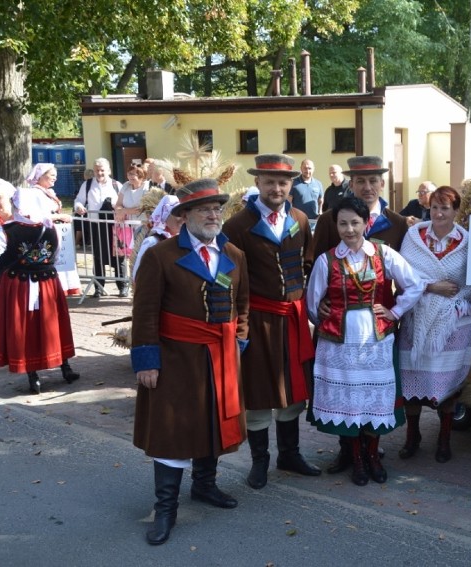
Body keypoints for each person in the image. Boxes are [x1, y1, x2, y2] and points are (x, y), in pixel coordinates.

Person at [131, 178, 249, 546]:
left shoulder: (234, 255)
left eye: (217, 208)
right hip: (175, 359)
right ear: (184, 216)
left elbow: (241, 306)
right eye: (204, 209)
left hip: (219, 356)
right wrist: (147, 361)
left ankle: (204, 486)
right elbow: (145, 312)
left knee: (211, 423)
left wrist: (238, 343)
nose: (213, 215)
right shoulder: (161, 256)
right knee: (173, 431)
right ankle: (165, 509)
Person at [307, 196, 424, 486]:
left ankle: (373, 456)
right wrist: (326, 314)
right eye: (343, 223)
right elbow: (312, 303)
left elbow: (415, 284)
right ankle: (357, 460)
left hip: (376, 340)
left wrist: (394, 311)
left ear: (366, 223)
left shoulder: (383, 254)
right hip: (339, 344)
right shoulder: (327, 259)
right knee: (349, 403)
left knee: (375, 401)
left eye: (354, 222)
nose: (349, 229)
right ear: (336, 225)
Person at [222, 154, 321, 489]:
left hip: (291, 319)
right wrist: (238, 328)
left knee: (293, 391)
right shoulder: (236, 226)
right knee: (260, 391)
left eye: (283, 182)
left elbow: (307, 264)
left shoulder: (301, 219)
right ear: (257, 183)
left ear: (291, 184)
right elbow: (229, 281)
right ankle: (260, 461)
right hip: (258, 319)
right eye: (269, 181)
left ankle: (289, 454)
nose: (276, 188)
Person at [397, 186, 471, 463]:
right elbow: (404, 274)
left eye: (445, 208)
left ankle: (444, 439)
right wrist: (431, 286)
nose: (438, 213)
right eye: (435, 207)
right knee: (411, 379)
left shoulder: (468, 241)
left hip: (455, 323)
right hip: (417, 319)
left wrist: (452, 300)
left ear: (456, 211)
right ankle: (413, 436)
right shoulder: (414, 237)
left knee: (447, 384)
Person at [0, 188, 80, 394]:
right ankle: (65, 368)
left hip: (20, 284)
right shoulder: (50, 227)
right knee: (54, 324)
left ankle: (33, 376)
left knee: (27, 327)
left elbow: (2, 256)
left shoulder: (8, 229)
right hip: (48, 283)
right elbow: (56, 253)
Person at [25, 163, 81, 296]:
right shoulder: (35, 193)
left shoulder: (47, 192)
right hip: (43, 234)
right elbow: (38, 216)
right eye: (52, 175)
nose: (55, 178)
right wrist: (60, 216)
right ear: (41, 176)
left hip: (54, 232)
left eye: (56, 175)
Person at [74, 158, 121, 297]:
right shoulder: (87, 184)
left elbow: (123, 204)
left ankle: (122, 286)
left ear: (109, 171)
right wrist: (79, 207)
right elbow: (78, 200)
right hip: (95, 225)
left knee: (118, 257)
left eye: (102, 170)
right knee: (98, 257)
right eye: (97, 170)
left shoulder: (117, 185)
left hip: (114, 226)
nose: (99, 173)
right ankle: (99, 288)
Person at [113, 164, 149, 297]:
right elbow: (118, 204)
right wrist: (119, 211)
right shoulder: (125, 186)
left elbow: (142, 208)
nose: (130, 177)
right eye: (129, 174)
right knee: (129, 256)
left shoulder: (147, 187)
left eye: (134, 174)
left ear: (141, 176)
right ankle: (132, 283)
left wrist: (124, 211)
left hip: (143, 225)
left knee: (141, 255)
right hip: (127, 227)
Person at [132, 195, 182, 280]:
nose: (182, 219)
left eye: (183, 214)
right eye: (177, 214)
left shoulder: (185, 241)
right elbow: (138, 274)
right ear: (165, 217)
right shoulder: (152, 242)